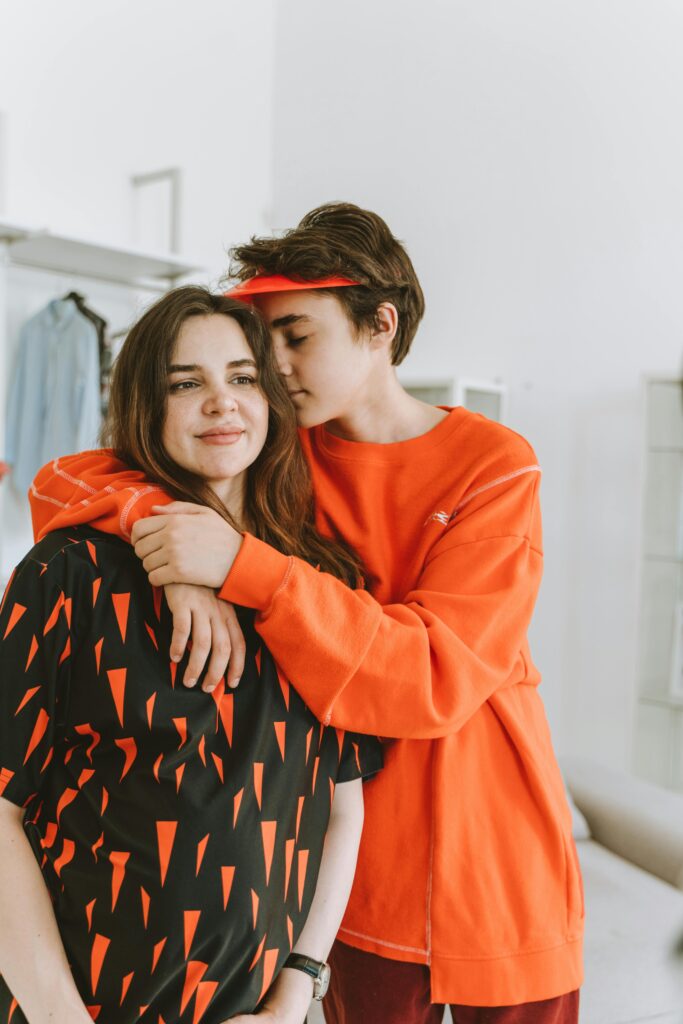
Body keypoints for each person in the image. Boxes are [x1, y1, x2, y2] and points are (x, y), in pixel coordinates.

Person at [29, 203, 583, 1024]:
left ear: (379, 326)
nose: (273, 365)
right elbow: (65, 482)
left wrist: (238, 563)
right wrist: (170, 543)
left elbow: (430, 678)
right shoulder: (276, 458)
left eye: (294, 334)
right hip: (347, 869)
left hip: (494, 860)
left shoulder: (495, 467)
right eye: (263, 343)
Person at [0, 286, 382, 1024]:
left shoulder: (323, 583)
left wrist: (294, 995)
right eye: (186, 383)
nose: (221, 403)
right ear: (147, 405)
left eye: (243, 377)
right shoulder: (66, 573)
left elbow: (343, 808)